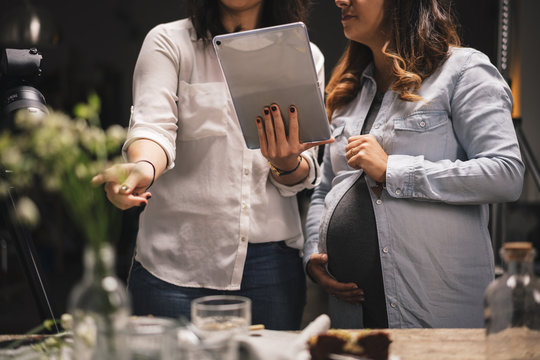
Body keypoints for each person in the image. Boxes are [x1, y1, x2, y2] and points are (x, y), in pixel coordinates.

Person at [92, 0, 331, 330]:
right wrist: (142, 167)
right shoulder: (169, 41)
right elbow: (154, 128)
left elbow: (302, 171)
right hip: (173, 263)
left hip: (271, 267)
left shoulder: (304, 54)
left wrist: (284, 162)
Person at [303, 0, 525, 329]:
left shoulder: (463, 71)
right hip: (352, 319)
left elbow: (506, 174)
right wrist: (313, 254)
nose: (340, 0)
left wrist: (393, 169)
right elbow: (325, 190)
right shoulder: (347, 91)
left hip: (434, 316)